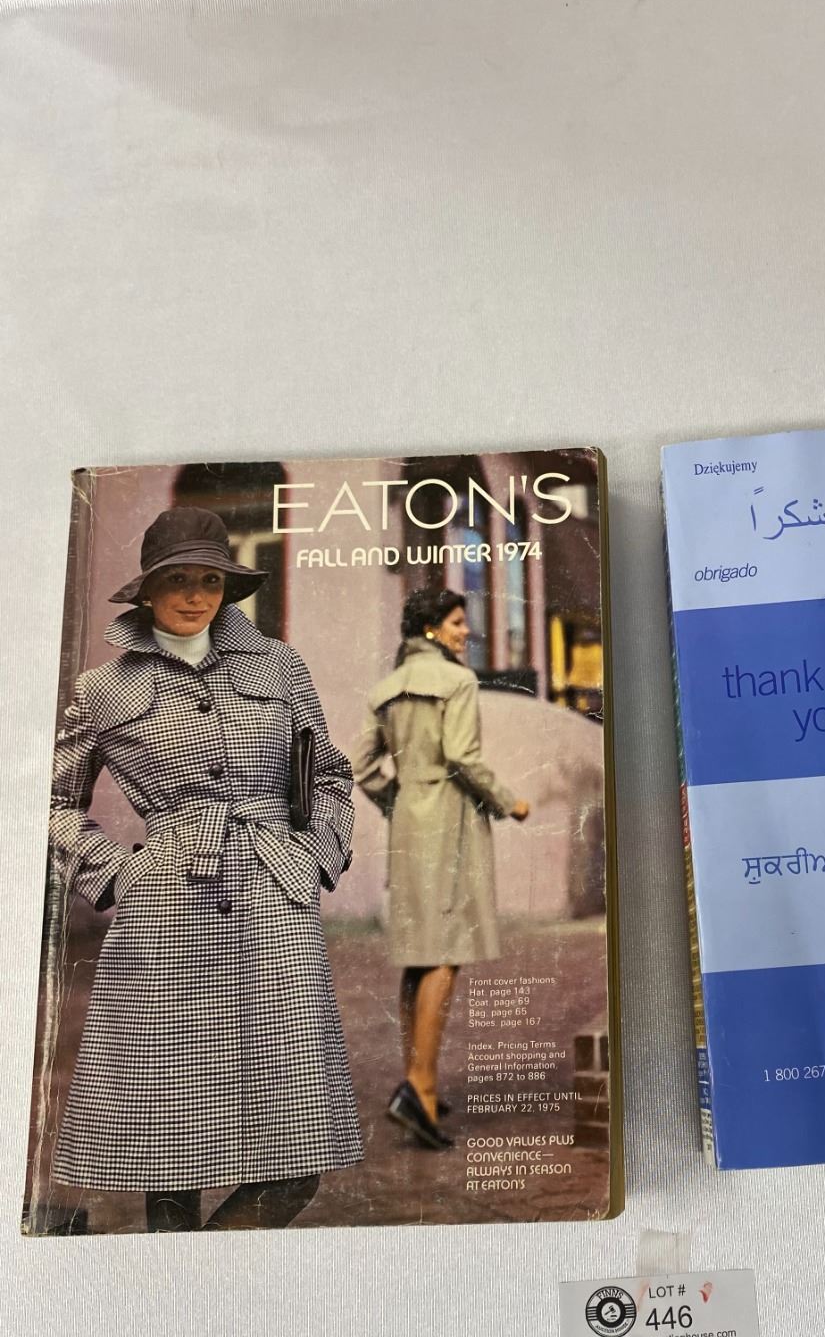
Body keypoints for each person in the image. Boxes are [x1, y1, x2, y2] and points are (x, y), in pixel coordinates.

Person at [49, 505, 363, 1232]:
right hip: (166, 910)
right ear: (148, 588)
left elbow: (329, 776)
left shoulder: (278, 664)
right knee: (169, 1154)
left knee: (294, 1164)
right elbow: (54, 801)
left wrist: (313, 855)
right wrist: (118, 872)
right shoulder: (101, 689)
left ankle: (202, 1269)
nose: (195, 596)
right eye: (177, 580)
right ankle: (185, 1284)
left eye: (210, 581)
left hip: (273, 902)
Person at [353, 587, 528, 1152]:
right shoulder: (457, 681)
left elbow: (362, 766)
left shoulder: (385, 688)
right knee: (445, 953)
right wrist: (510, 802)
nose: (465, 632)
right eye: (456, 622)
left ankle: (415, 1078)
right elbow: (463, 757)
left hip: (410, 822)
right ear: (431, 628)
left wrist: (400, 800)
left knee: (419, 954)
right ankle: (421, 1089)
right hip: (450, 821)